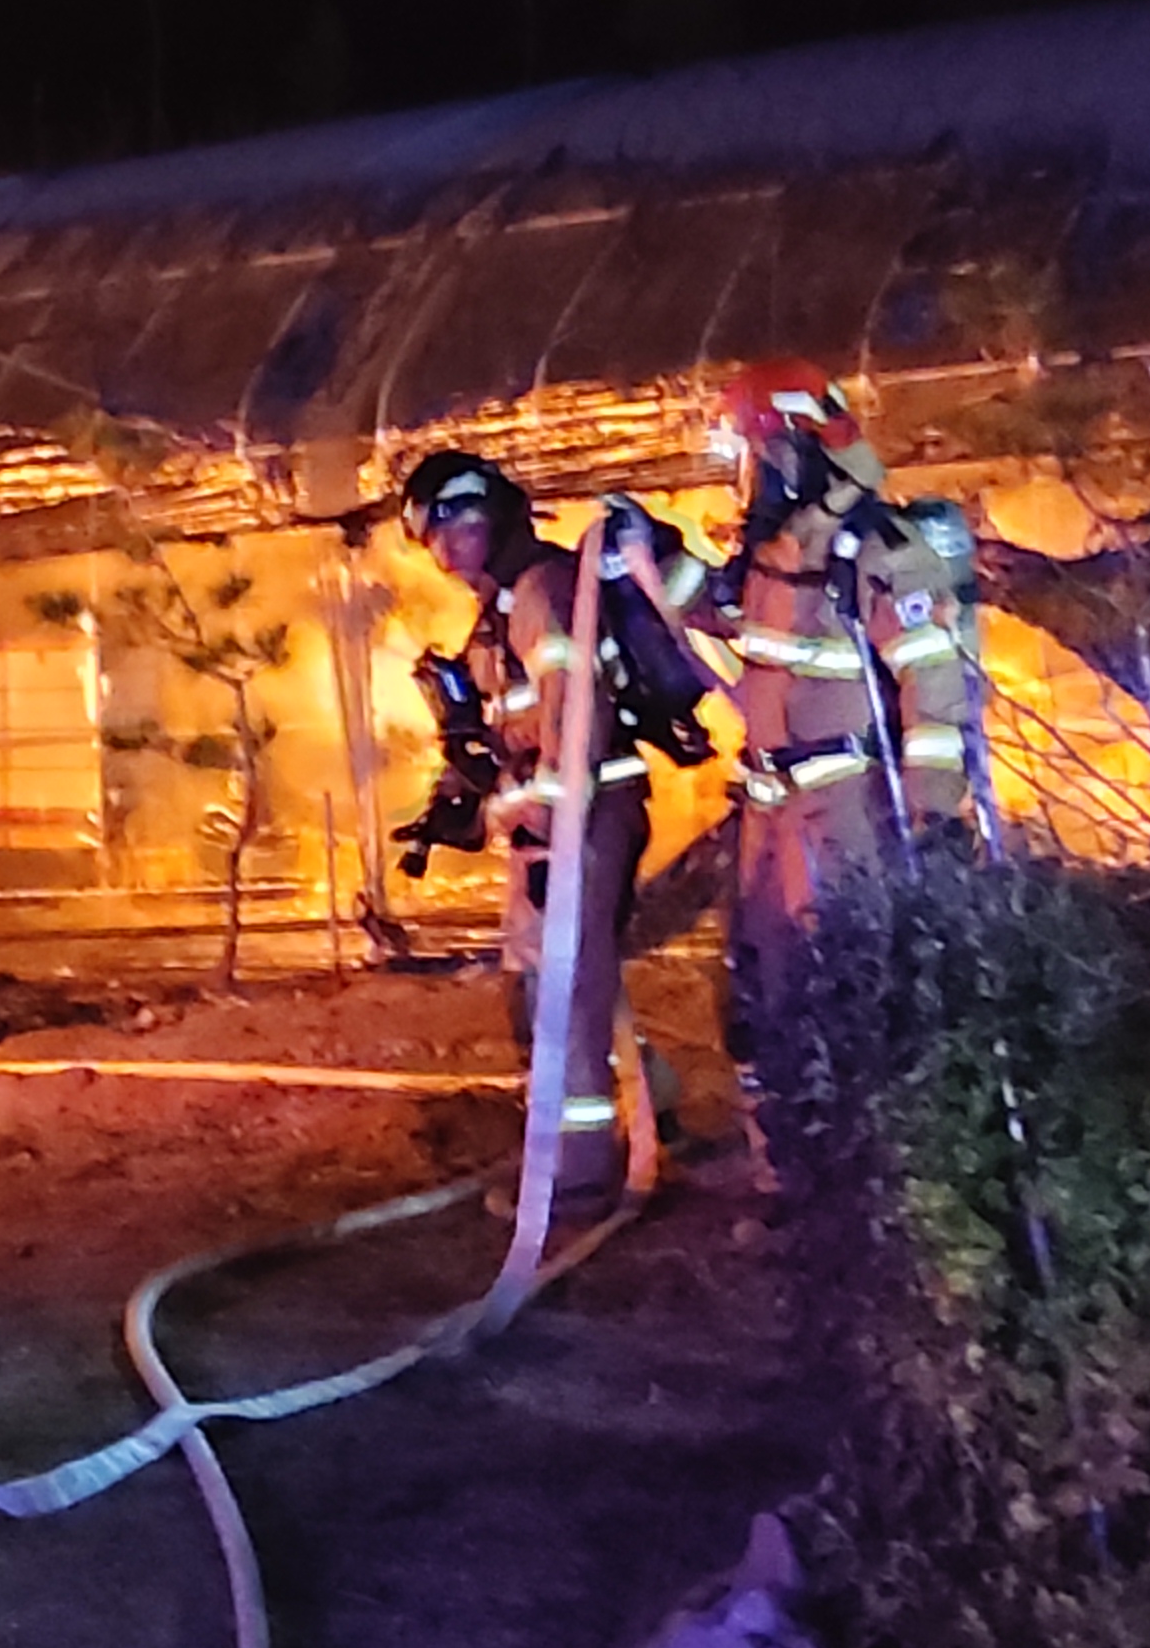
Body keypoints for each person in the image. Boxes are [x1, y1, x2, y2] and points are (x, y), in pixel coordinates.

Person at [399, 449, 695, 1207]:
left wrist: (552, 814)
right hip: (552, 822)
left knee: (563, 991)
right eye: (433, 539)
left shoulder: (542, 590)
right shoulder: (500, 612)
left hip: (582, 816)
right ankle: (651, 1100)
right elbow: (514, 729)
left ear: (496, 516)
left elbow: (574, 713)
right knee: (554, 984)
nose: (446, 551)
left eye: (458, 527)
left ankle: (577, 1174)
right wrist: (463, 798)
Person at [692, 361, 984, 1080]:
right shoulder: (774, 555)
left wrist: (934, 812)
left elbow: (933, 685)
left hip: (843, 805)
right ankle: (791, 1133)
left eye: (748, 456)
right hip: (769, 806)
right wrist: (647, 552)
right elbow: (724, 617)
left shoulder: (878, 550)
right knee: (766, 995)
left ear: (792, 450)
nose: (741, 479)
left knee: (845, 982)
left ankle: (864, 1129)